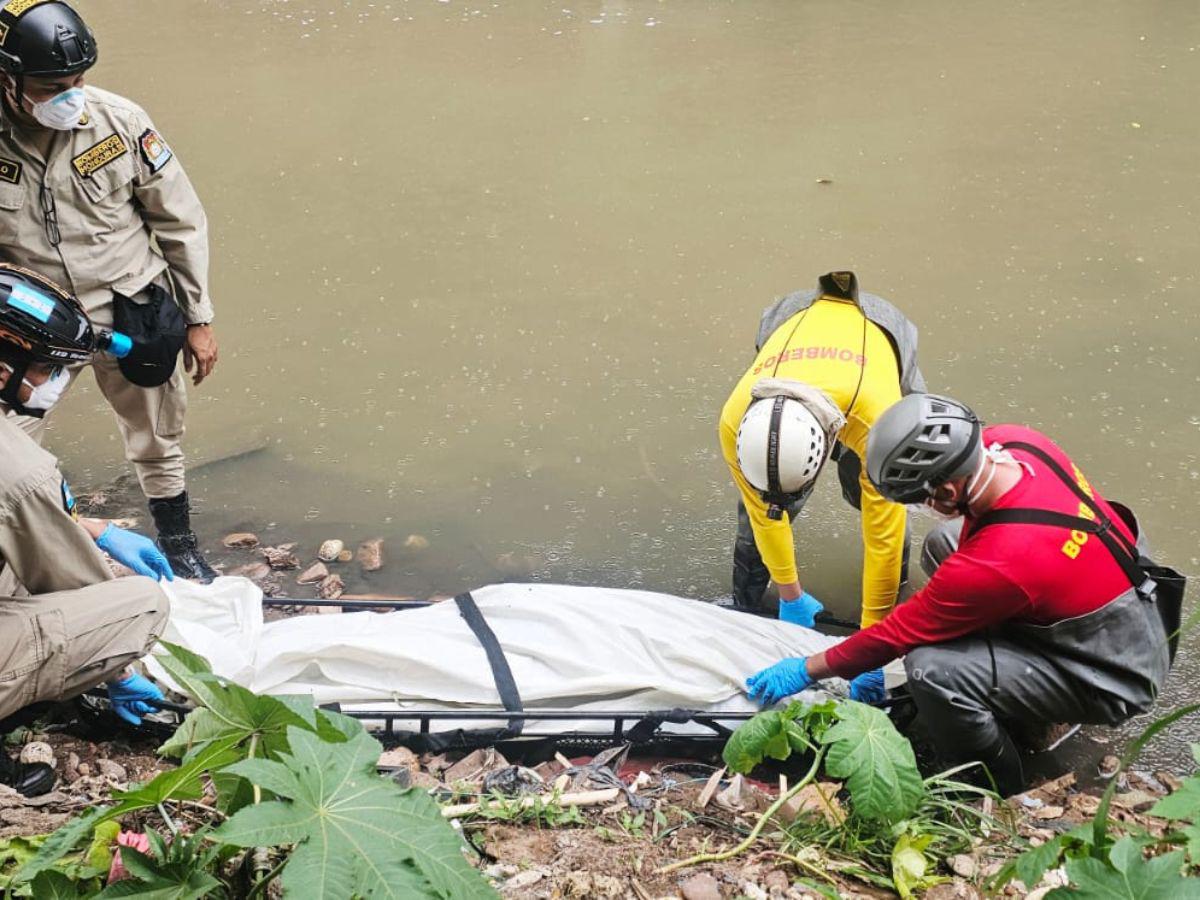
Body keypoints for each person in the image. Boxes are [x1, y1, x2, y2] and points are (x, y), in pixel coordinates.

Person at [744, 393, 1175, 795]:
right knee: (943, 544)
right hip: (1132, 586)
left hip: (1115, 669)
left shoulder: (999, 561)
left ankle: (1000, 784)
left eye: (923, 501)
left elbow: (898, 635)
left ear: (948, 491)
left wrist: (808, 668)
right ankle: (1018, 693)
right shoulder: (1018, 442)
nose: (925, 510)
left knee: (932, 669)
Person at [0, 0, 218, 580]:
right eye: (52, 86)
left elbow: (180, 220)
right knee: (8, 447)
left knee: (157, 436)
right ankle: (41, 553)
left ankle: (179, 545)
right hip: (31, 326)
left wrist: (198, 317)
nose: (70, 95)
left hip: (133, 310)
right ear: (8, 79)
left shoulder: (120, 122)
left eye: (77, 81)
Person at [0, 263, 170, 797]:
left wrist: (92, 526)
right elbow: (71, 581)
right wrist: (116, 673)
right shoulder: (17, 467)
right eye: (46, 368)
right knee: (143, 603)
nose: (50, 383)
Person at [719, 271, 925, 701]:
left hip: (880, 336)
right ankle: (747, 605)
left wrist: (871, 649)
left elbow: (881, 539)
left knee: (884, 496)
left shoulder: (878, 424)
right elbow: (763, 513)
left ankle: (889, 620)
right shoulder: (735, 420)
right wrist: (790, 593)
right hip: (789, 319)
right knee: (764, 510)